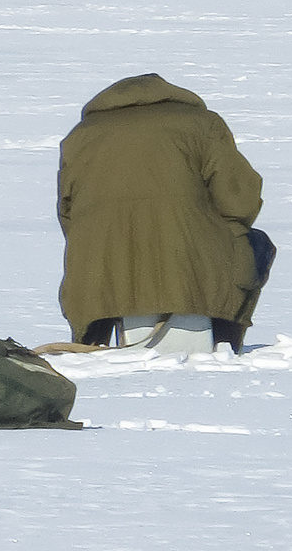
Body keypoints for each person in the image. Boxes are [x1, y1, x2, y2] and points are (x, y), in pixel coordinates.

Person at [50, 74, 268, 355]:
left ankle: (102, 341)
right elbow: (239, 200)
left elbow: (68, 212)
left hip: (101, 267)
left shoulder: (80, 135)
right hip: (192, 264)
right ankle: (223, 342)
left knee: (106, 260)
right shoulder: (202, 124)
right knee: (257, 246)